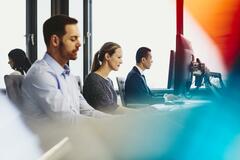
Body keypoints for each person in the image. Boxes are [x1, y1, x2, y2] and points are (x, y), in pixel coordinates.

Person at [22, 15, 106, 122]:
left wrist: (116, 121)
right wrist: (108, 125)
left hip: (70, 135)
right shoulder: (40, 74)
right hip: (54, 138)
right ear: (55, 41)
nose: (79, 44)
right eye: (73, 39)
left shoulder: (68, 75)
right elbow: (67, 120)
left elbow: (87, 111)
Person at [83, 42, 123, 113]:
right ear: (107, 56)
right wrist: (136, 113)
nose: (121, 61)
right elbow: (109, 108)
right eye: (119, 57)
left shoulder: (109, 81)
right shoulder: (93, 80)